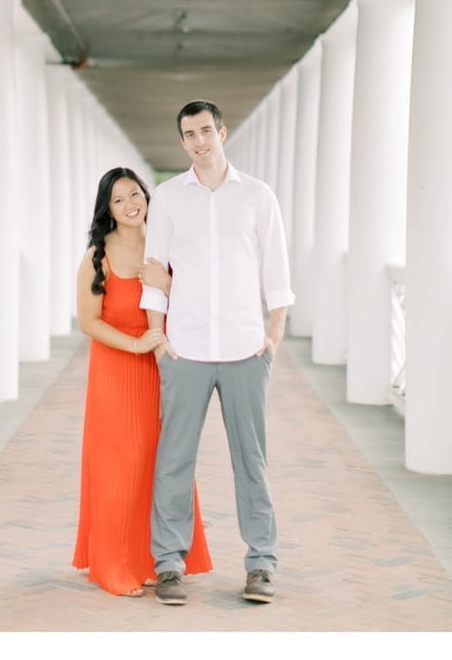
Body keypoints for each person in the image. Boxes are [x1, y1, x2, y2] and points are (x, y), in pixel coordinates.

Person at [140, 99, 294, 606]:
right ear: (182, 142)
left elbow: (276, 271)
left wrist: (273, 337)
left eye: (206, 130)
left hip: (245, 346)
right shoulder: (166, 198)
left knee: (251, 459)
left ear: (222, 133)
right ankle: (168, 564)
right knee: (174, 458)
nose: (199, 141)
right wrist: (158, 337)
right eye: (189, 134)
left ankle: (261, 564)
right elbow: (155, 272)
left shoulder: (256, 195)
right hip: (183, 347)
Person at [71, 167, 213, 596]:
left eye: (136, 194)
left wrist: (167, 282)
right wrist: (134, 346)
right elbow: (88, 322)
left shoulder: (164, 247)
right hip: (117, 370)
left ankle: (157, 556)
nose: (131, 203)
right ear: (107, 210)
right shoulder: (98, 255)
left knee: (162, 461)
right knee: (121, 463)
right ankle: (113, 564)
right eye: (119, 199)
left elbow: (197, 297)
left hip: (161, 367)